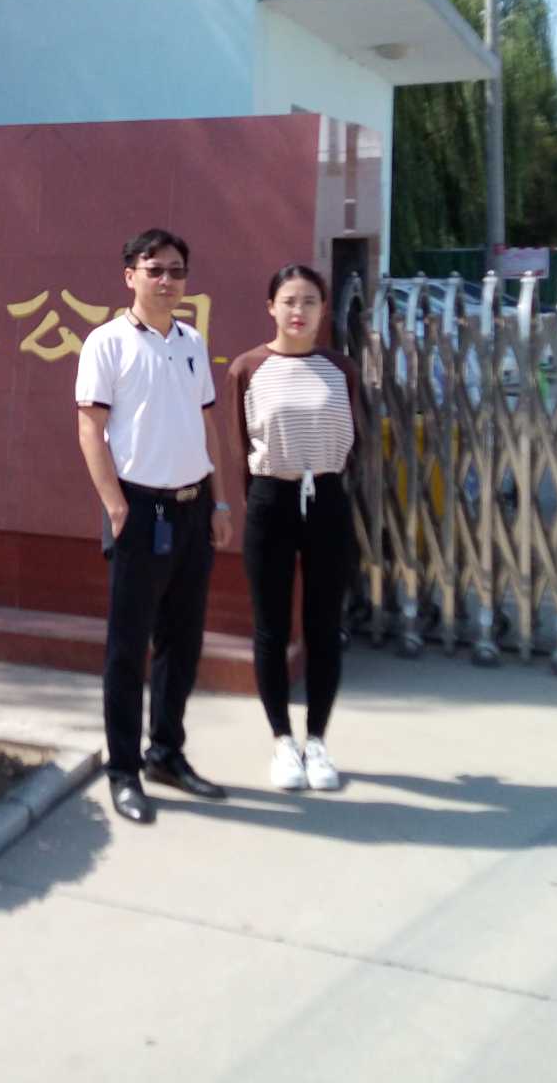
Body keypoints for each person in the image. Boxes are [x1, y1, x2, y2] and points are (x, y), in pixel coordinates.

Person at [75, 228, 236, 825]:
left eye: (176, 270)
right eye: (155, 269)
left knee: (181, 641)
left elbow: (206, 424)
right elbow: (90, 428)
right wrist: (116, 507)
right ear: (131, 276)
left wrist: (220, 504)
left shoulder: (192, 342)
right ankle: (124, 771)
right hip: (139, 511)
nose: (167, 280)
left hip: (193, 511)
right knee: (128, 648)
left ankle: (166, 753)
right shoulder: (107, 343)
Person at [224, 263, 363, 792]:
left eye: (309, 301)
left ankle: (318, 741)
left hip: (326, 498)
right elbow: (238, 443)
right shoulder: (248, 368)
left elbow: (356, 438)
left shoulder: (340, 369)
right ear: (271, 307)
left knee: (324, 627)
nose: (298, 311)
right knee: (272, 628)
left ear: (323, 309)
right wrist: (255, 499)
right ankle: (282, 740)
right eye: (288, 301)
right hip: (271, 498)